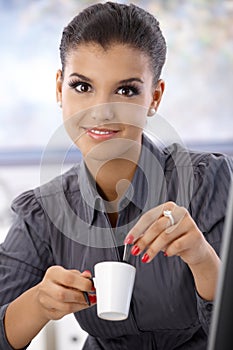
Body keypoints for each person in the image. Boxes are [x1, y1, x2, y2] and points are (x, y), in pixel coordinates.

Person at [0, 2, 232, 349]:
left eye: (126, 90)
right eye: (82, 86)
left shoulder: (209, 181)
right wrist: (38, 303)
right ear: (59, 88)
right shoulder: (42, 212)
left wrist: (201, 257)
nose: (101, 111)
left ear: (154, 97)